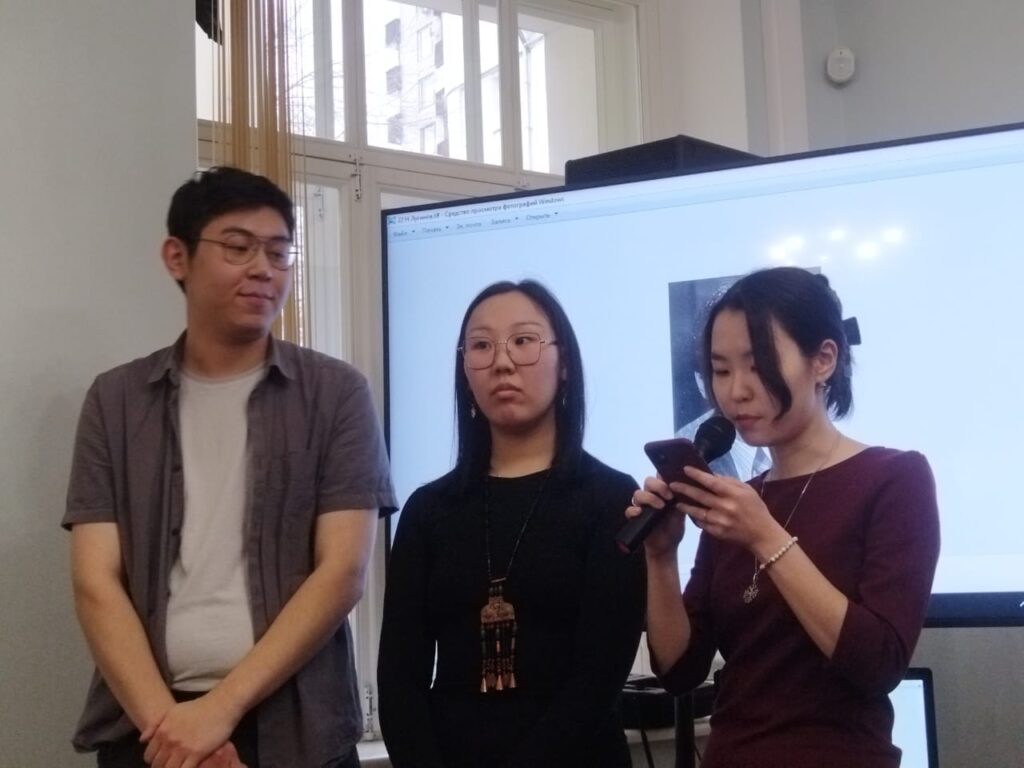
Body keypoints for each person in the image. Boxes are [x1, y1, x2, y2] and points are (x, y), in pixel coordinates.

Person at [64, 167, 396, 768]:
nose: (264, 269)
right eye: (239, 247)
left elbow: (343, 570)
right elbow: (95, 581)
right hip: (149, 728)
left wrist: (219, 711)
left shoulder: (336, 394)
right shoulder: (116, 402)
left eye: (278, 252)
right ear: (177, 257)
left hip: (297, 730)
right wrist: (175, 733)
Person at [627, 266, 940, 767]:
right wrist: (660, 558)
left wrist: (765, 536)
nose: (736, 391)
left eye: (759, 365)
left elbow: (878, 663)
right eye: (721, 370)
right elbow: (680, 671)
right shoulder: (739, 501)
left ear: (823, 359)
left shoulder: (895, 477)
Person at [377, 280, 645, 768]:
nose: (502, 362)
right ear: (465, 371)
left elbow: (599, 677)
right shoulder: (428, 511)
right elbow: (400, 679)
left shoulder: (611, 499)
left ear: (565, 364)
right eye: (482, 346)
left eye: (523, 341)